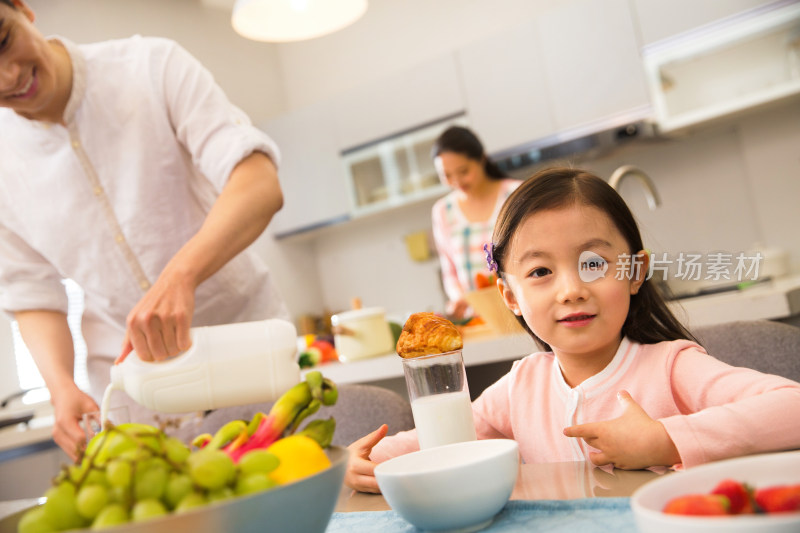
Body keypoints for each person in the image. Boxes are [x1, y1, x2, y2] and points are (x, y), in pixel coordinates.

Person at [345, 167, 800, 493]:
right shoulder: (521, 386)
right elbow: (447, 435)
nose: (571, 290)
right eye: (541, 271)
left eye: (594, 264)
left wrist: (664, 439)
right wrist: (364, 461)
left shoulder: (671, 366)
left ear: (634, 271)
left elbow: (791, 407)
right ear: (509, 297)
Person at [0, 0, 290, 460]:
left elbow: (258, 183)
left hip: (243, 353)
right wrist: (60, 387)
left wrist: (180, 276)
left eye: (3, 42)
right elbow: (31, 293)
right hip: (134, 392)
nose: (7, 76)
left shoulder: (151, 66)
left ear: (22, 9)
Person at [430, 125, 520, 320]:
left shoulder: (516, 194)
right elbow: (450, 271)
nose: (456, 181)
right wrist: (459, 299)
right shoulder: (443, 211)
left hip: (523, 309)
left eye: (463, 171)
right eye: (446, 175)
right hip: (479, 318)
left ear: (481, 158)